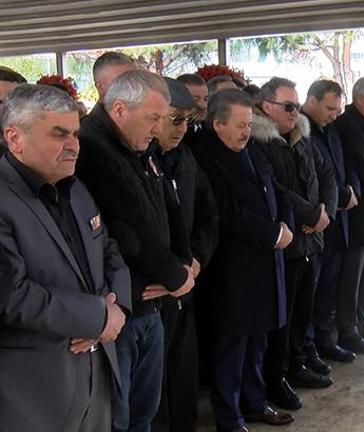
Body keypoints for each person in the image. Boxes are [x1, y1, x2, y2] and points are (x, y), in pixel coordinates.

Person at [0, 84, 131, 431]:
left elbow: (109, 250)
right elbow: (11, 295)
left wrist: (116, 309)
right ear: (14, 138)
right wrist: (95, 317)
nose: (74, 145)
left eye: (75, 133)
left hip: (96, 380)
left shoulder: (76, 188)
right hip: (32, 393)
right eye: (59, 134)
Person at [76, 70, 195, 432]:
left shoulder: (140, 147)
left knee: (144, 410)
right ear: (119, 109)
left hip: (152, 300)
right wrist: (176, 277)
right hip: (125, 304)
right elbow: (131, 227)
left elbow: (170, 209)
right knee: (120, 415)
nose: (158, 129)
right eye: (153, 118)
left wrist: (184, 265)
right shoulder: (94, 149)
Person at [189, 89, 295, 429]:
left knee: (257, 341)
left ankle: (255, 402)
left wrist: (286, 225)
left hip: (263, 264)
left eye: (249, 124)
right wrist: (273, 234)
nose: (246, 131)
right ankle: (229, 416)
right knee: (231, 347)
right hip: (232, 269)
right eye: (239, 125)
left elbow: (276, 191)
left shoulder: (250, 151)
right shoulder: (205, 157)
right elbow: (226, 211)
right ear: (217, 124)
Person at [252, 77, 337, 410]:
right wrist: (310, 214)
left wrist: (325, 213)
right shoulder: (258, 142)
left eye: (296, 106)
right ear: (266, 106)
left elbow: (326, 175)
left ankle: (297, 364)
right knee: (282, 319)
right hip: (286, 245)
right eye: (288, 106)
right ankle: (277, 377)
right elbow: (274, 189)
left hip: (311, 240)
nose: (294, 112)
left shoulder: (302, 136)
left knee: (303, 312)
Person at [151, 78, 219, 432]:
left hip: (188, 280)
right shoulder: (142, 162)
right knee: (156, 386)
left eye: (188, 121)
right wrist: (174, 269)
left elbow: (208, 214)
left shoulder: (186, 158)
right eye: (175, 119)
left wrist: (195, 258)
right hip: (157, 288)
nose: (182, 129)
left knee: (184, 373)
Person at [303, 79, 364, 369]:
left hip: (339, 219)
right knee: (313, 291)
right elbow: (313, 178)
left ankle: (324, 339)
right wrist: (340, 197)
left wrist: (353, 189)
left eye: (337, 109)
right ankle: (310, 347)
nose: (333, 115)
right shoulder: (301, 129)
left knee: (329, 285)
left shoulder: (331, 129)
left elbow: (346, 166)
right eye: (329, 108)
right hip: (318, 221)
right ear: (312, 101)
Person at [334, 76, 364, 345]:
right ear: (360, 100)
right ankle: (350, 324)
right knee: (353, 272)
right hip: (356, 210)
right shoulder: (348, 125)